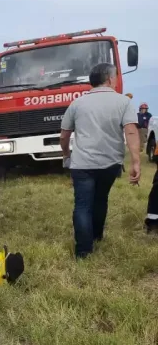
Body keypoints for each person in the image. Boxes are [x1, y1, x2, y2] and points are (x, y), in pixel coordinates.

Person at [59, 62, 141, 259]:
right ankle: (97, 236)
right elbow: (130, 131)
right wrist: (136, 162)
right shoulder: (123, 102)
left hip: (82, 165)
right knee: (101, 199)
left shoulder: (77, 103)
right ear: (110, 79)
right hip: (110, 164)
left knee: (82, 205)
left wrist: (66, 155)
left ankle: (83, 251)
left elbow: (64, 135)